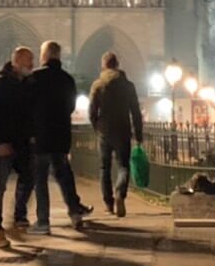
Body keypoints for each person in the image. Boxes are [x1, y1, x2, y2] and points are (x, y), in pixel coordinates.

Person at [27, 40, 92, 234]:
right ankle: (75, 213)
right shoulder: (67, 80)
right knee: (64, 176)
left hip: (40, 137)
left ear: (45, 55)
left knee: (40, 180)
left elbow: (27, 107)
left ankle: (43, 221)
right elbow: (71, 107)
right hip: (61, 136)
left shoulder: (34, 78)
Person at [0, 46, 36, 249]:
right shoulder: (0, 84)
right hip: (4, 142)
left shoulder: (29, 84)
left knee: (29, 178)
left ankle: (18, 217)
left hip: (23, 142)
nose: (32, 65)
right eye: (28, 61)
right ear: (16, 61)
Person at [87, 51, 144, 218]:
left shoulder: (98, 84)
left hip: (104, 131)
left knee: (104, 168)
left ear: (104, 65)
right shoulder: (128, 85)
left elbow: (92, 110)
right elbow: (136, 111)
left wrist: (96, 126)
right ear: (117, 65)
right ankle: (120, 193)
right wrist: (138, 133)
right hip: (123, 130)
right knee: (123, 166)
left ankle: (108, 204)